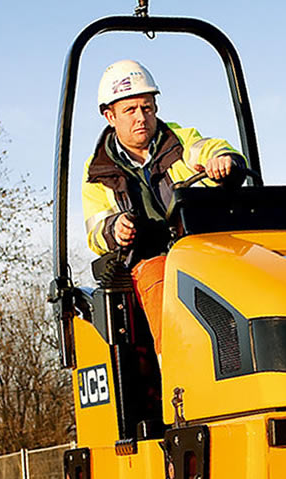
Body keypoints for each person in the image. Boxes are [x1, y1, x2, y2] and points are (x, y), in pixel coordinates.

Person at [82, 59, 245, 357]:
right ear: (110, 115)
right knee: (161, 274)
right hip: (147, 263)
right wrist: (114, 228)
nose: (140, 117)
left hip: (200, 252)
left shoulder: (181, 141)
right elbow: (95, 231)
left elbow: (210, 148)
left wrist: (222, 159)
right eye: (130, 110)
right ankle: (175, 373)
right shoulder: (98, 172)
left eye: (146, 107)